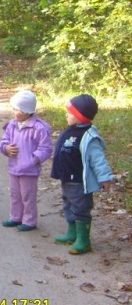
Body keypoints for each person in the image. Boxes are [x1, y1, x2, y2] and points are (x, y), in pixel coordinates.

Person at [50, 94, 113, 254]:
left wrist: (104, 177)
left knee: (80, 207)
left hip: (79, 180)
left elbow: (98, 159)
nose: (66, 115)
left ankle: (84, 240)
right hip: (66, 178)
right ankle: (72, 233)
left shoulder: (89, 137)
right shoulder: (71, 130)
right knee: (68, 204)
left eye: (70, 113)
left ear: (80, 116)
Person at [0, 90, 53, 231]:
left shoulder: (38, 127)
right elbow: (4, 140)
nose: (14, 112)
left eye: (17, 110)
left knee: (28, 196)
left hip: (29, 169)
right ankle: (15, 217)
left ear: (27, 111)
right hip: (14, 166)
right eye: (14, 109)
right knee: (15, 194)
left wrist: (35, 159)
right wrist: (6, 148)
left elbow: (45, 147)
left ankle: (29, 220)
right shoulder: (12, 125)